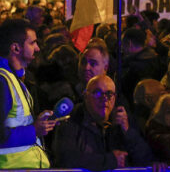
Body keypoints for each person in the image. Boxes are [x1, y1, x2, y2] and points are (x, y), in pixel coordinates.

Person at [53, 75, 155, 170]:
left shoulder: (123, 121)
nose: (105, 98)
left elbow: (145, 159)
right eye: (97, 93)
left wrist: (127, 131)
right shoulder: (70, 122)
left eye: (109, 94)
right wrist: (109, 160)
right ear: (86, 96)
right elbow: (66, 160)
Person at [0, 19, 54, 168]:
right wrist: (34, 130)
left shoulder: (15, 78)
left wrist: (37, 122)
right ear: (15, 48)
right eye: (32, 43)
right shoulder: (3, 81)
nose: (37, 48)